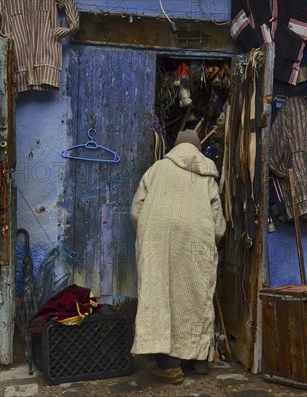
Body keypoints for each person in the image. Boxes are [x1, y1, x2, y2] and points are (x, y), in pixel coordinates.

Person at [131, 129, 226, 384]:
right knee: (196, 296)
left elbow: (137, 210)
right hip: (197, 245)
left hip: (159, 244)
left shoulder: (157, 169)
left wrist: (149, 237)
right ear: (197, 150)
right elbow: (218, 225)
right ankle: (200, 360)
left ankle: (170, 365)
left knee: (162, 298)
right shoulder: (207, 176)